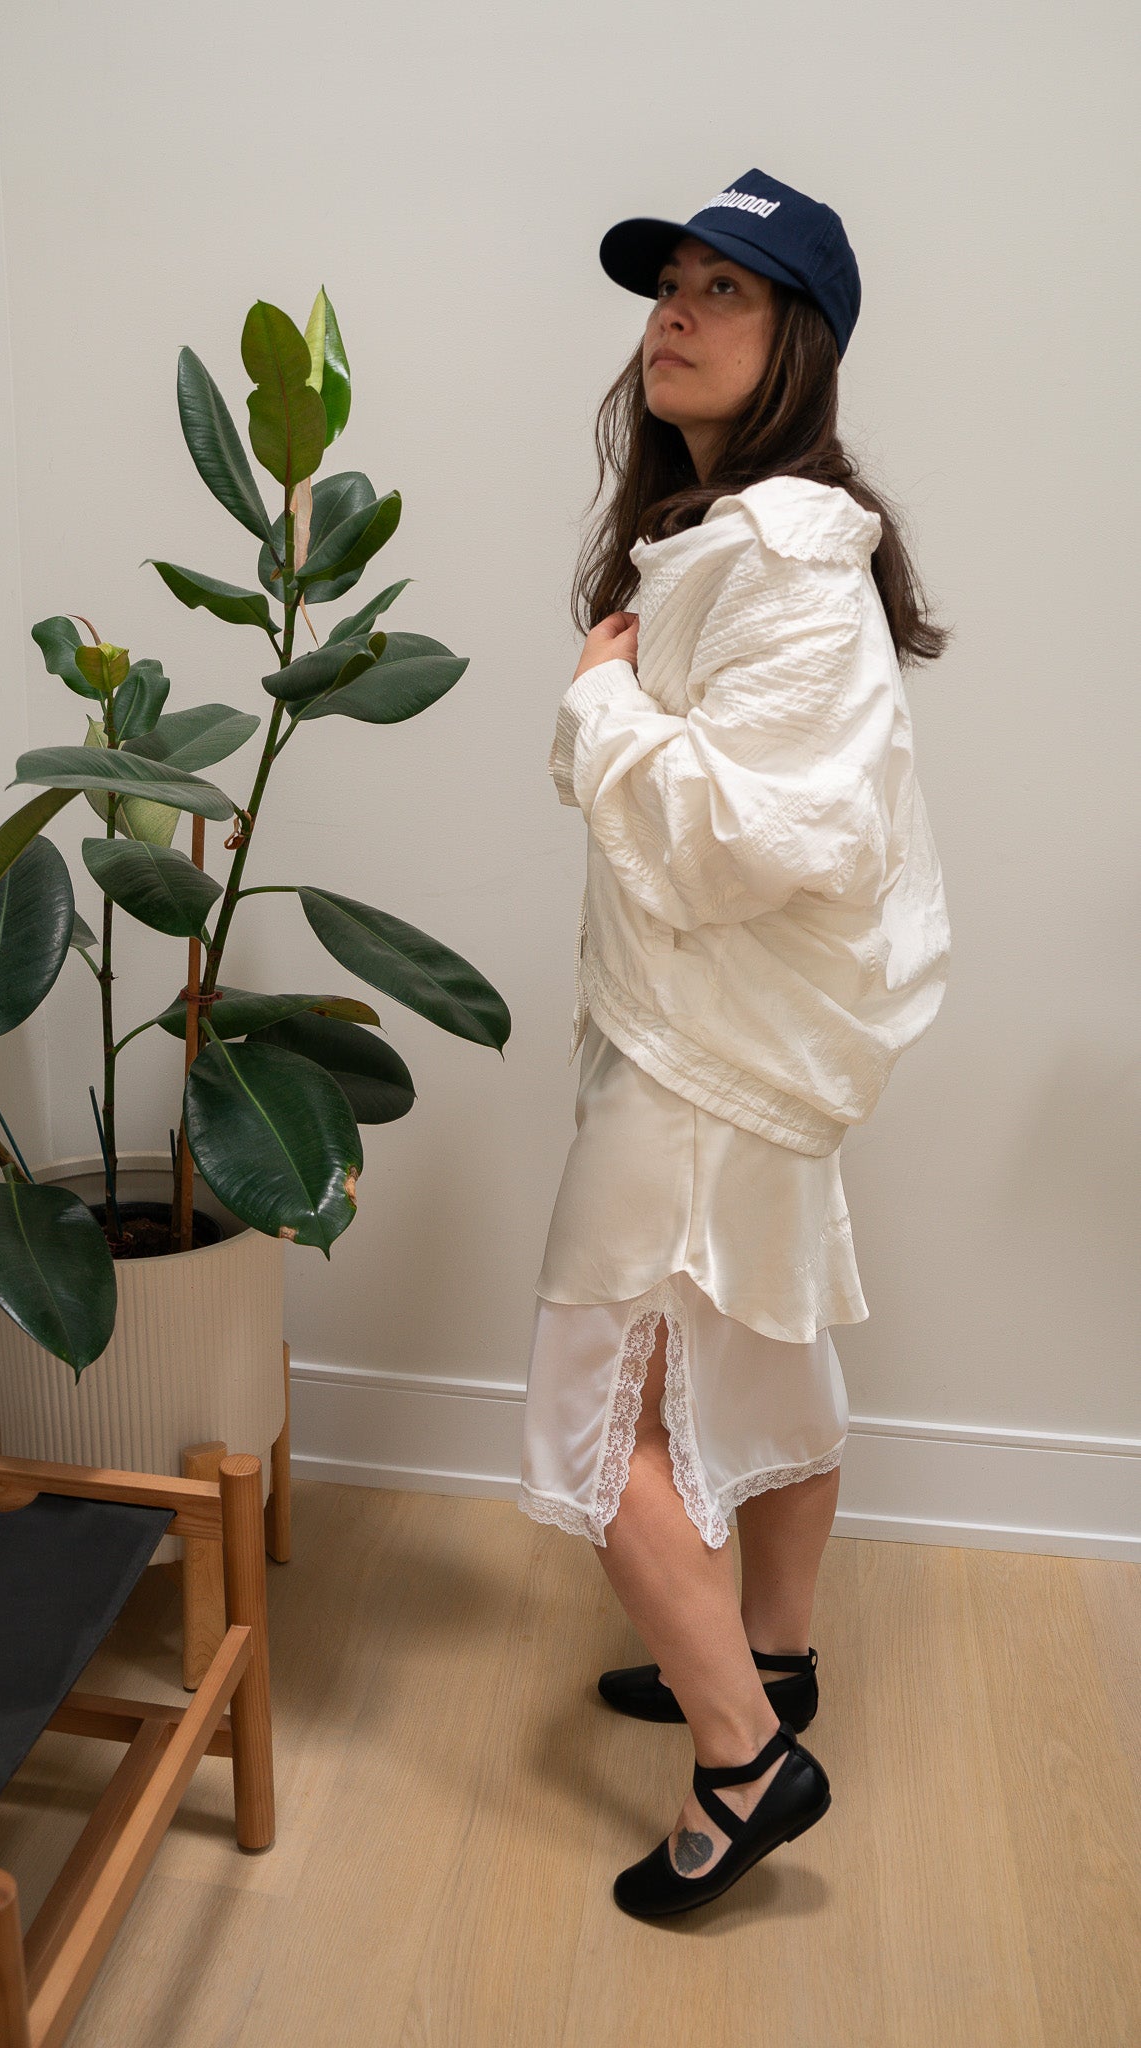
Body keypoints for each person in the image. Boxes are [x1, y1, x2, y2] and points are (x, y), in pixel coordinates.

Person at [518, 169, 951, 1920]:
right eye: (670, 286)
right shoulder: (730, 539)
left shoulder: (781, 567)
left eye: (729, 293)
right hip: (737, 1044)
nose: (676, 316)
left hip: (705, 1053)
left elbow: (740, 843)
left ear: (802, 349)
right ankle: (774, 1657)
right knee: (763, 1344)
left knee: (588, 1418)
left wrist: (600, 701)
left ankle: (742, 1764)